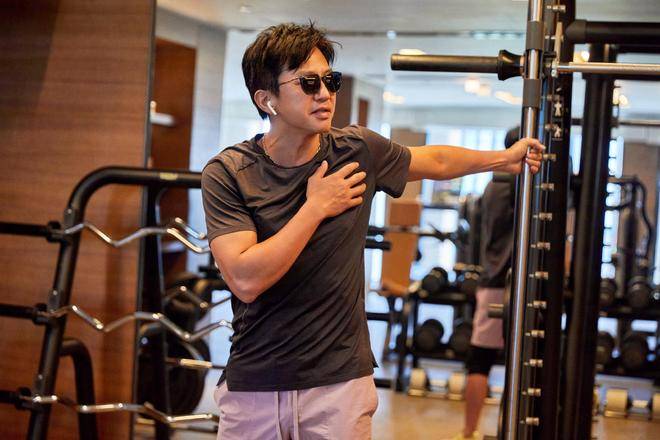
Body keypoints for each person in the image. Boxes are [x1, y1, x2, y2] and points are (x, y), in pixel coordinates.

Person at [201, 23, 543, 440]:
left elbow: (433, 160)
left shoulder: (356, 150)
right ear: (266, 99)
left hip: (338, 386)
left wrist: (503, 159)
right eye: (308, 83)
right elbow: (246, 279)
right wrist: (316, 208)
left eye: (330, 80)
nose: (325, 93)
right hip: (254, 384)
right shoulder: (229, 173)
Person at [454, 127, 519, 440]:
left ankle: (472, 431)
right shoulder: (514, 183)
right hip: (504, 281)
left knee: (484, 359)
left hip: (496, 278)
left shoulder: (494, 184)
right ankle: (470, 432)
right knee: (483, 359)